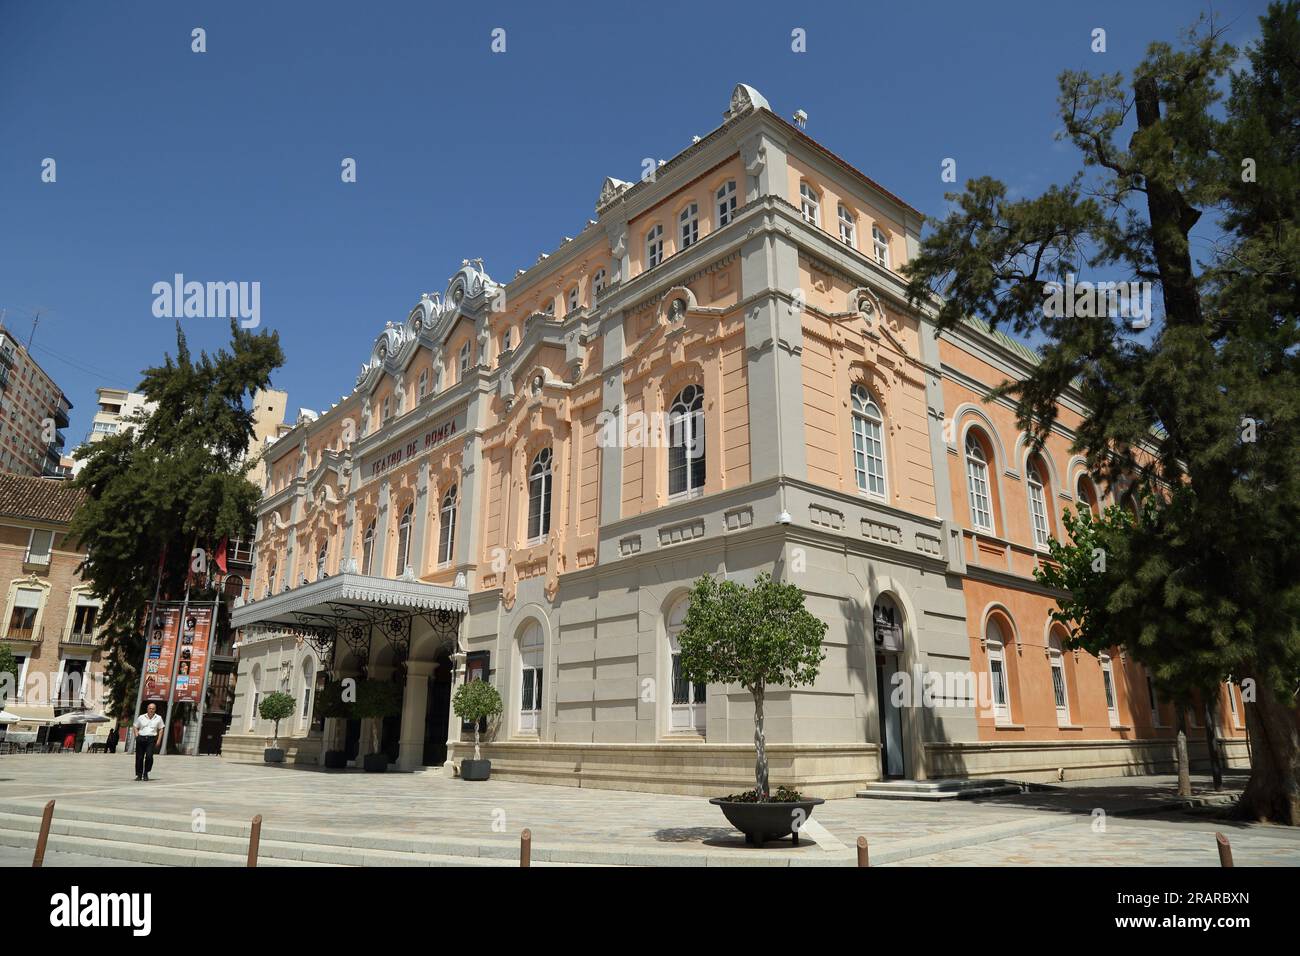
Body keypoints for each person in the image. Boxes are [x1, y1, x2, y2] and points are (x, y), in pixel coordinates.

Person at [133, 702, 164, 781]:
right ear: (147, 709)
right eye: (150, 708)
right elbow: (135, 726)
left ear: (155, 709)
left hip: (151, 739)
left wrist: (159, 740)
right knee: (139, 757)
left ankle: (146, 773)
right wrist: (137, 736)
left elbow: (161, 729)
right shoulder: (141, 717)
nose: (151, 710)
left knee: (149, 756)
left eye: (153, 709)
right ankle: (139, 775)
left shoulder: (158, 718)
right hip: (141, 738)